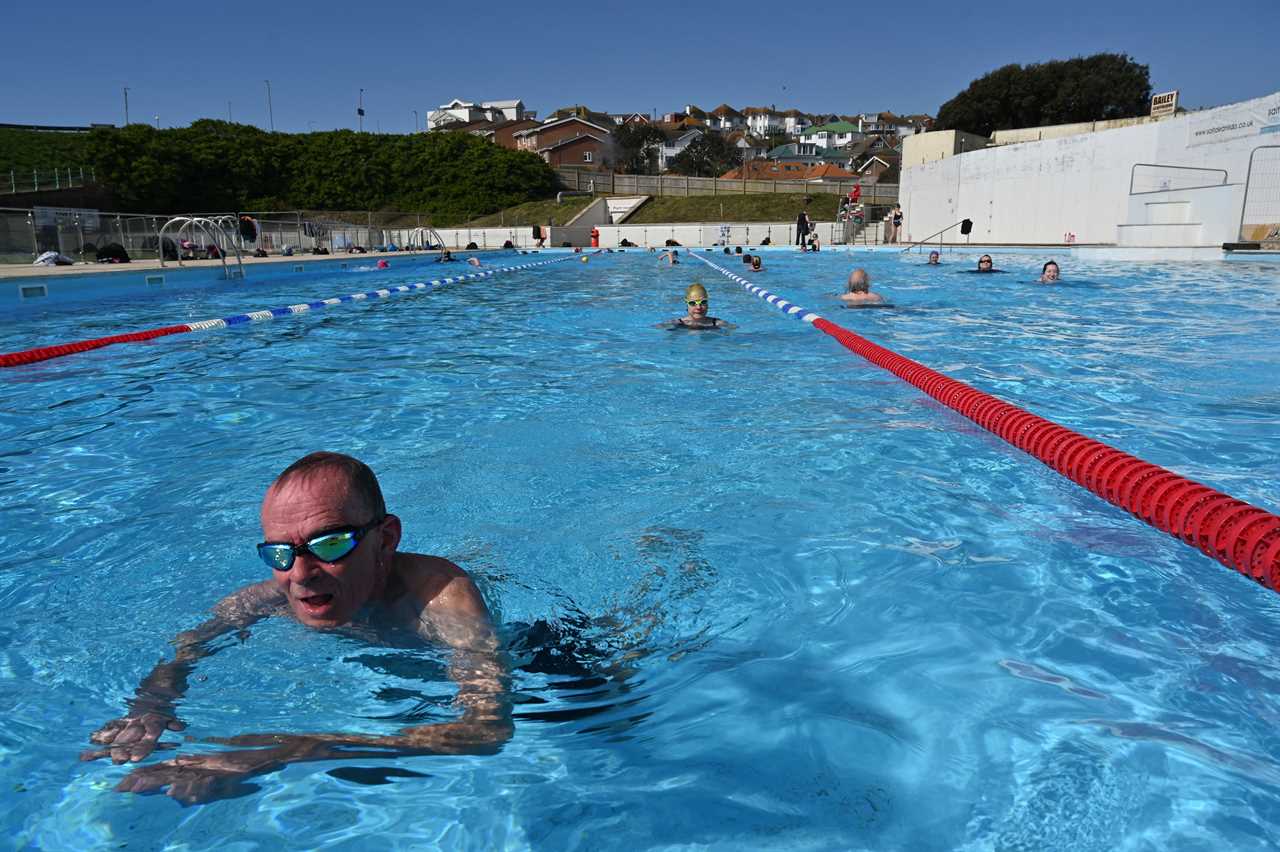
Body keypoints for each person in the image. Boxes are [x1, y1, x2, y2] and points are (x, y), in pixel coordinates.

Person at [83, 452, 510, 804]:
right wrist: (151, 705)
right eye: (281, 552)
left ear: (385, 539)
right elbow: (188, 647)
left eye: (329, 544)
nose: (300, 575)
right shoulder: (271, 594)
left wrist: (296, 748)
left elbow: (486, 727)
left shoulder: (441, 598)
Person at [658, 283, 733, 330]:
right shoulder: (675, 323)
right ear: (686, 304)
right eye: (692, 303)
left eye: (703, 302)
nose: (698, 307)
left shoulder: (718, 324)